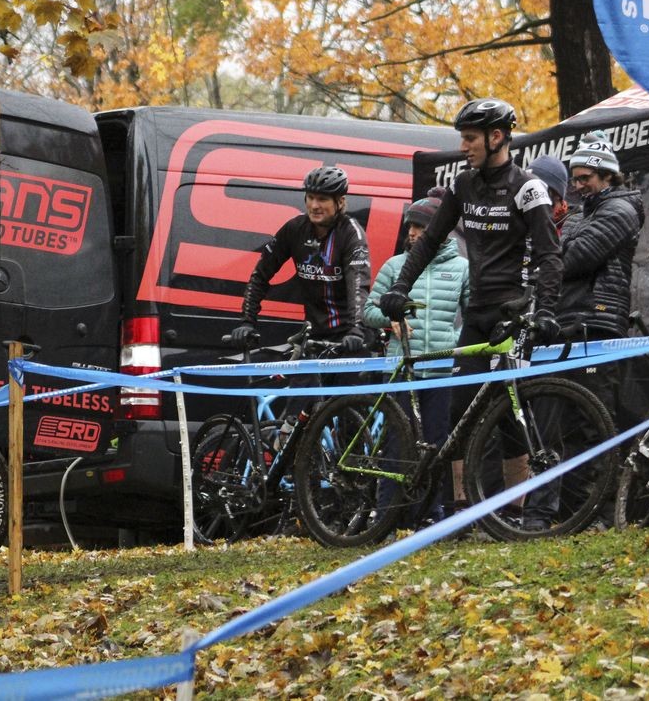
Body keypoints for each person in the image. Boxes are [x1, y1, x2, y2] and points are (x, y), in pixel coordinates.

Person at [378, 98, 562, 528]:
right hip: (476, 314)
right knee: (459, 412)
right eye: (462, 138)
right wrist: (400, 286)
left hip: (511, 314)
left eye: (469, 138)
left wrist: (546, 309)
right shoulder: (463, 186)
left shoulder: (527, 187)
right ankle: (460, 514)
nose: (463, 146)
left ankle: (516, 512)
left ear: (496, 137)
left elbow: (551, 256)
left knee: (511, 414)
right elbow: (427, 242)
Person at [365, 194, 469, 523]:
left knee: (436, 446)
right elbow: (369, 310)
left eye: (421, 227)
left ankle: (429, 515)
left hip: (440, 370)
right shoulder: (396, 266)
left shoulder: (462, 267)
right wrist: (391, 321)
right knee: (397, 445)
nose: (412, 233)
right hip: (399, 370)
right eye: (410, 225)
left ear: (440, 230)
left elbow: (473, 314)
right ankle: (385, 516)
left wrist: (454, 341)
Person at [232, 166, 371, 356]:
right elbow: (260, 275)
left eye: (322, 199)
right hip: (312, 334)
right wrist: (247, 321)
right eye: (310, 197)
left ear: (340, 202)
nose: (314, 205)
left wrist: (357, 330)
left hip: (348, 337)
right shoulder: (294, 228)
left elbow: (358, 286)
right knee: (299, 384)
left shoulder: (351, 233)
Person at [558, 131, 645, 428]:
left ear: (607, 175)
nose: (578, 186)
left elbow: (573, 259)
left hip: (598, 322)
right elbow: (559, 254)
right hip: (571, 319)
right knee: (568, 420)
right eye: (575, 178)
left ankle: (603, 475)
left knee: (594, 420)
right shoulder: (579, 214)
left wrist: (564, 249)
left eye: (585, 178)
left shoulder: (621, 210)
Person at [528, 155, 571, 228]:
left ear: (557, 194)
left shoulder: (576, 228)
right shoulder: (520, 222)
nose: (529, 193)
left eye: (537, 187)